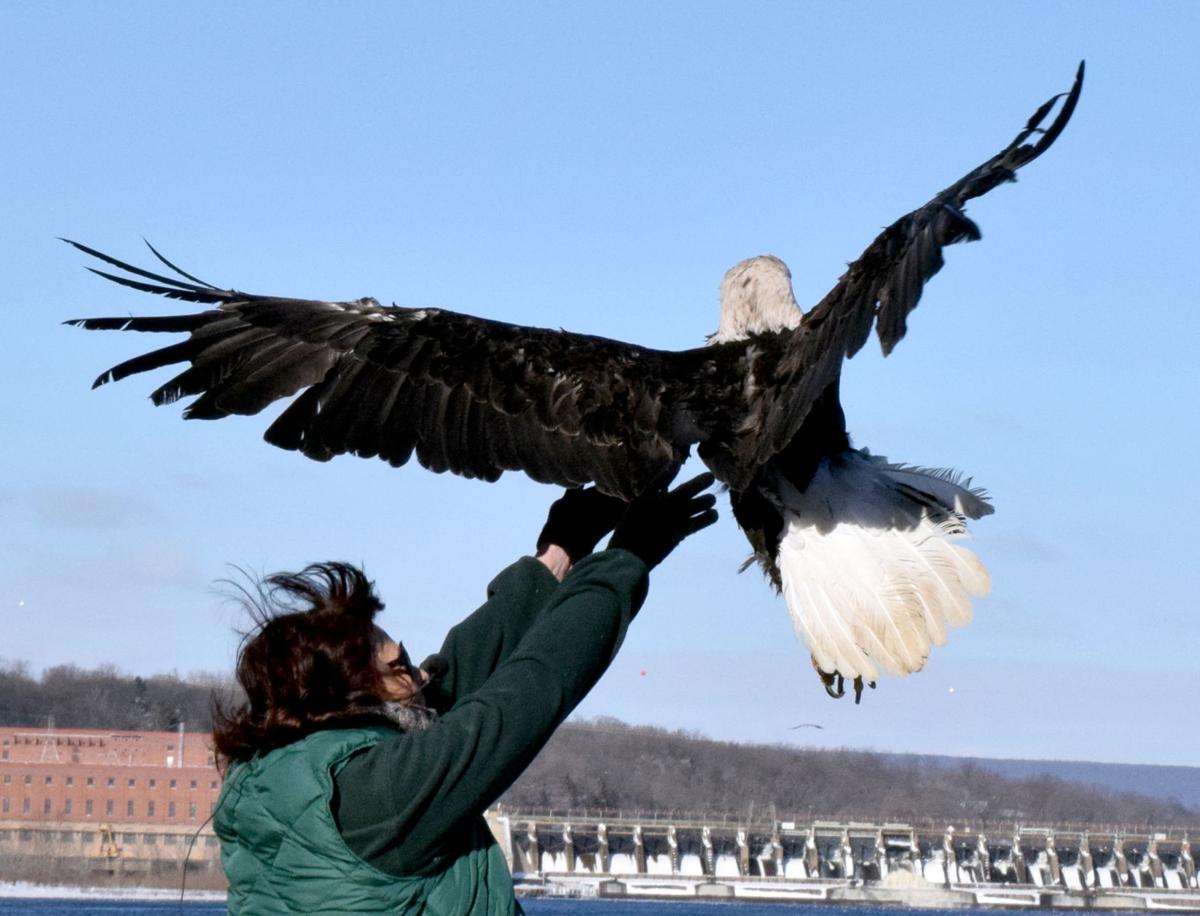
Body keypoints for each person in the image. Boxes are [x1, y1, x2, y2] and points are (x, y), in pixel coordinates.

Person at [211, 472, 718, 915]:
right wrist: (625, 560)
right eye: (399, 666)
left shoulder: (288, 780)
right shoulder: (372, 796)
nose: (419, 672)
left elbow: (452, 684)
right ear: (346, 695)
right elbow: (530, 688)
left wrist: (558, 555)